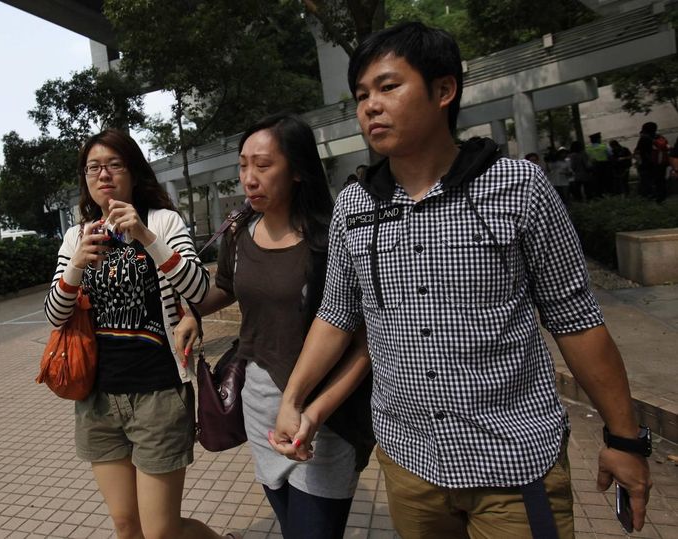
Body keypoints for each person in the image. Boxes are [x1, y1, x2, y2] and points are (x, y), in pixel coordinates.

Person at [272, 22, 652, 539]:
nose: (370, 107)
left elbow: (576, 320)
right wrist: (294, 402)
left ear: (444, 90)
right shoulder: (354, 209)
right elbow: (337, 315)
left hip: (512, 463)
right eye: (361, 95)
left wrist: (624, 439)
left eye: (388, 87)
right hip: (409, 464)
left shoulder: (519, 187)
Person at [174, 113, 375, 539]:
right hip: (261, 406)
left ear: (298, 170)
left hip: (326, 413)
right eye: (243, 165)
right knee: (290, 527)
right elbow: (223, 290)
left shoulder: (330, 240)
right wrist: (192, 313)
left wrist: (314, 412)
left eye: (263, 166)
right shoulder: (240, 232)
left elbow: (363, 346)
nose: (249, 178)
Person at [43, 129, 228, 539]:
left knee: (161, 531)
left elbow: (199, 290)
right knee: (127, 526)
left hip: (159, 394)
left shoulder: (163, 221)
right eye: (93, 167)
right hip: (99, 399)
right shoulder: (77, 235)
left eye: (114, 165)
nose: (103, 174)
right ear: (85, 179)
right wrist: (76, 265)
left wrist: (147, 236)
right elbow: (55, 316)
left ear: (133, 172)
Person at [634, 122, 669, 202]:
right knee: (661, 181)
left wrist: (638, 163)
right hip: (660, 164)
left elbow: (638, 152)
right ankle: (662, 198)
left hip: (648, 165)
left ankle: (651, 198)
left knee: (648, 182)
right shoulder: (660, 137)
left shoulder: (644, 139)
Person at [585, 132, 611, 197]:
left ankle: (598, 194)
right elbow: (610, 155)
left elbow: (586, 158)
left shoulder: (587, 148)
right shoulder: (604, 146)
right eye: (600, 138)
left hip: (594, 167)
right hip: (604, 166)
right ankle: (607, 193)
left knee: (597, 181)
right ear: (597, 139)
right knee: (606, 180)